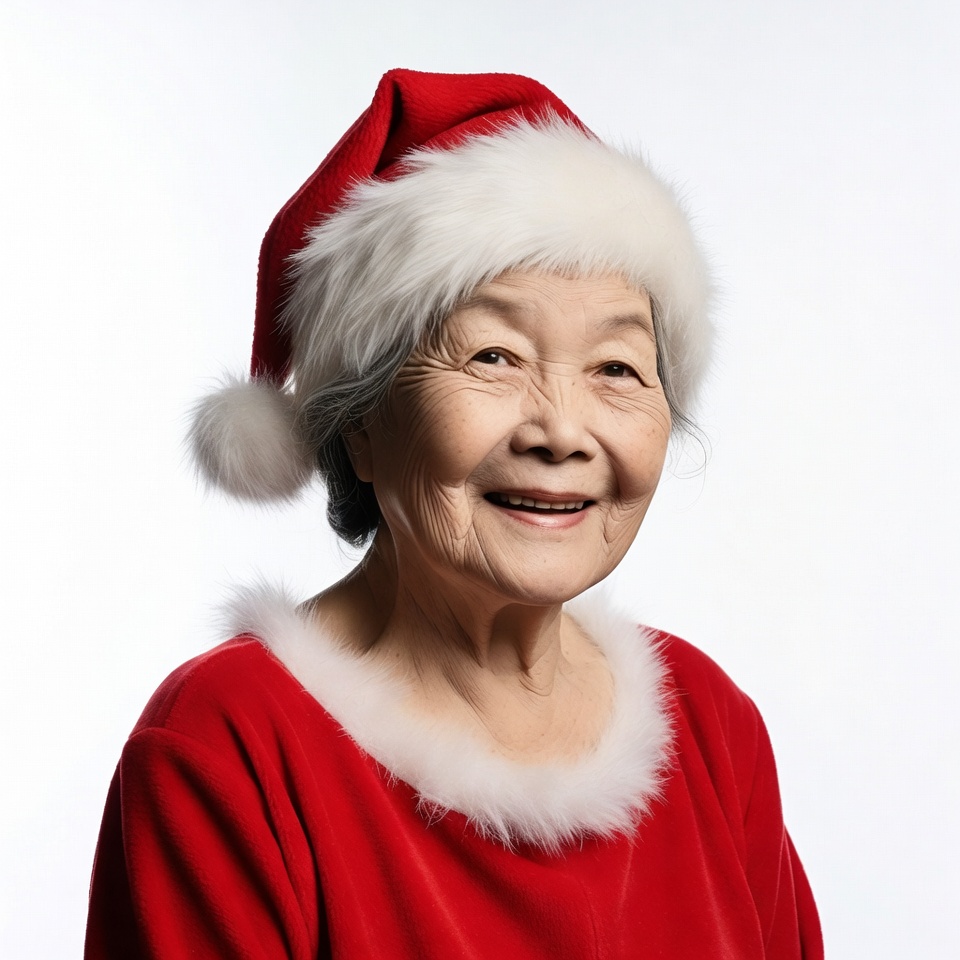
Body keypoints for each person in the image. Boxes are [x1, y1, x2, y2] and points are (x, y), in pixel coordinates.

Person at [85, 69, 823, 959]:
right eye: (494, 355)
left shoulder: (708, 725)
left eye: (618, 368)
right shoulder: (230, 744)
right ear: (356, 425)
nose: (562, 430)